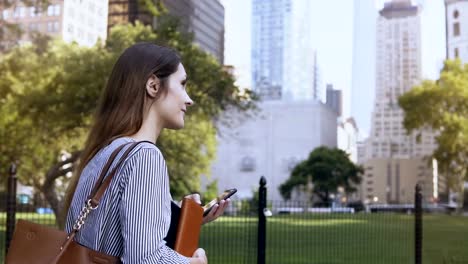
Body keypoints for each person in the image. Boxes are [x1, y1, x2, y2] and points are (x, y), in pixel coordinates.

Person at [63, 42, 228, 263]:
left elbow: (108, 237)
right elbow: (145, 258)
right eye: (182, 84)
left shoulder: (104, 152)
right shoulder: (144, 157)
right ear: (153, 86)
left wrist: (179, 220)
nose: (189, 99)